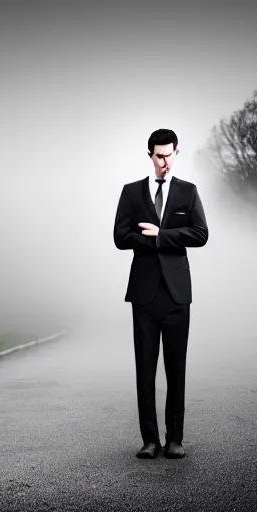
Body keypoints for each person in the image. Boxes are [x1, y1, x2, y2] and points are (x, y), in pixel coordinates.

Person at [113, 128, 208, 459]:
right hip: (144, 295)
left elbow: (200, 234)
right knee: (145, 370)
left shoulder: (188, 192)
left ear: (177, 152)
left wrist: (161, 235)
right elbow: (120, 236)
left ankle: (176, 439)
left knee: (176, 369)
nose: (164, 161)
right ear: (150, 155)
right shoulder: (131, 193)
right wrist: (151, 240)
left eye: (169, 154)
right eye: (158, 155)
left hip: (178, 295)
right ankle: (150, 440)